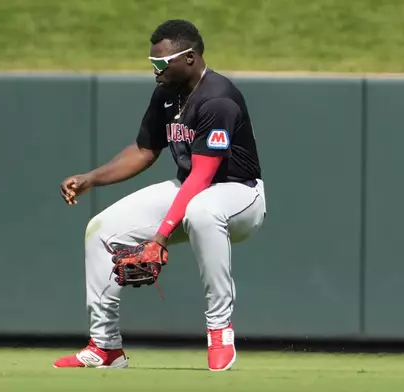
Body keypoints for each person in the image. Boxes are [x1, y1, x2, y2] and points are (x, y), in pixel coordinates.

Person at [54, 19, 266, 371]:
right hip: (190, 191)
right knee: (101, 228)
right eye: (152, 62)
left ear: (190, 58)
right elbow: (144, 150)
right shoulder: (167, 92)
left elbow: (203, 175)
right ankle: (105, 347)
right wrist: (91, 178)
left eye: (161, 63)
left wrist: (160, 237)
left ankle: (219, 330)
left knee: (201, 210)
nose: (155, 70)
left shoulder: (218, 99)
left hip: (238, 196)